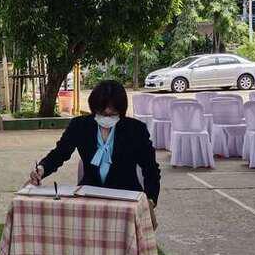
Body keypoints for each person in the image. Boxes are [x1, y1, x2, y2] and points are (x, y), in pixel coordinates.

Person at [27, 80, 160, 226]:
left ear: (121, 112)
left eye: (112, 114)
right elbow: (59, 153)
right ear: (94, 108)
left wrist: (150, 200)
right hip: (89, 196)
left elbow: (151, 169)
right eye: (102, 113)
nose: (107, 118)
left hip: (127, 198)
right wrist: (42, 169)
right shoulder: (79, 126)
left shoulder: (135, 130)